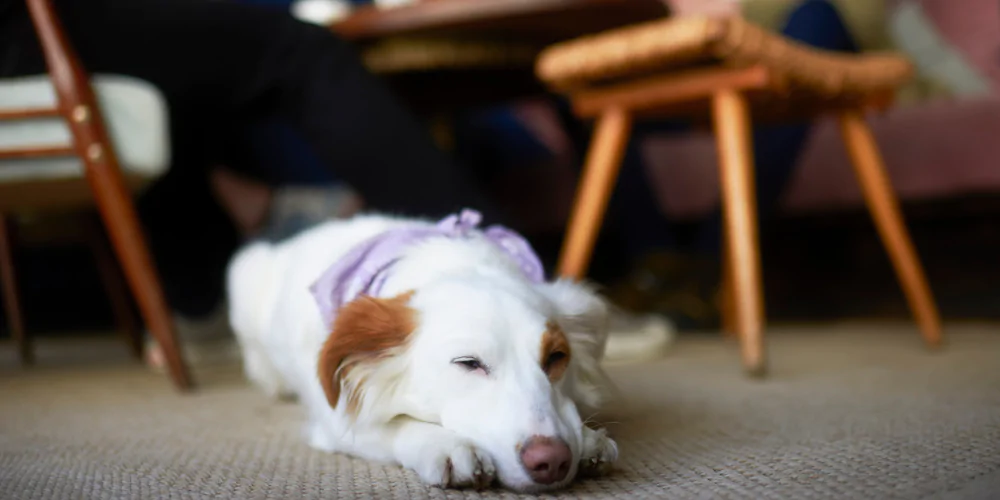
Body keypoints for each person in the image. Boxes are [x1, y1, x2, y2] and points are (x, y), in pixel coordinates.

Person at [0, 0, 505, 322]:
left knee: (187, 71)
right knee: (302, 50)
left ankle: (203, 291)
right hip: (23, 29)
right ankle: (495, 268)